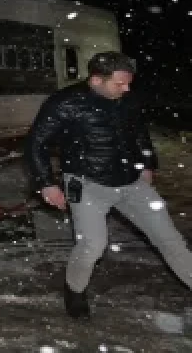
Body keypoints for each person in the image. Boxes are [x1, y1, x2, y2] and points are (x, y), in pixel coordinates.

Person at [27, 51, 192, 320]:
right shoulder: (65, 102)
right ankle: (75, 291)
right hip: (87, 183)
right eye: (119, 84)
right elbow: (37, 144)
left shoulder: (126, 99)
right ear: (96, 80)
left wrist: (147, 164)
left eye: (129, 83)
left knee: (170, 239)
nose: (127, 89)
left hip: (130, 182)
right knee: (93, 244)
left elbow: (140, 133)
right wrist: (46, 184)